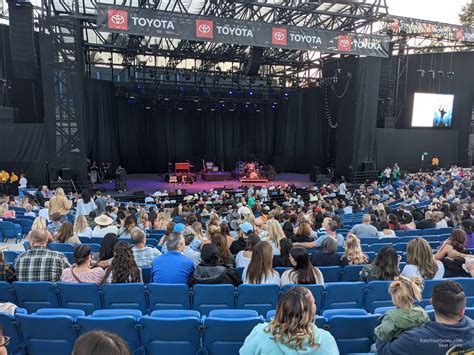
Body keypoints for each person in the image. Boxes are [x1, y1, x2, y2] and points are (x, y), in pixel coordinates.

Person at [376, 281, 474, 354]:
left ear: (431, 302)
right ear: (462, 310)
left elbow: (385, 350)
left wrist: (380, 337)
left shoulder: (413, 339)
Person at [240, 286, 339, 354]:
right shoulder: (327, 339)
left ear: (281, 309)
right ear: (311, 311)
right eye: (314, 302)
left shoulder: (259, 333)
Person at [374, 276, 429, 342]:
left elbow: (384, 337)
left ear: (396, 297)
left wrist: (377, 329)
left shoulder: (390, 317)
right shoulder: (422, 312)